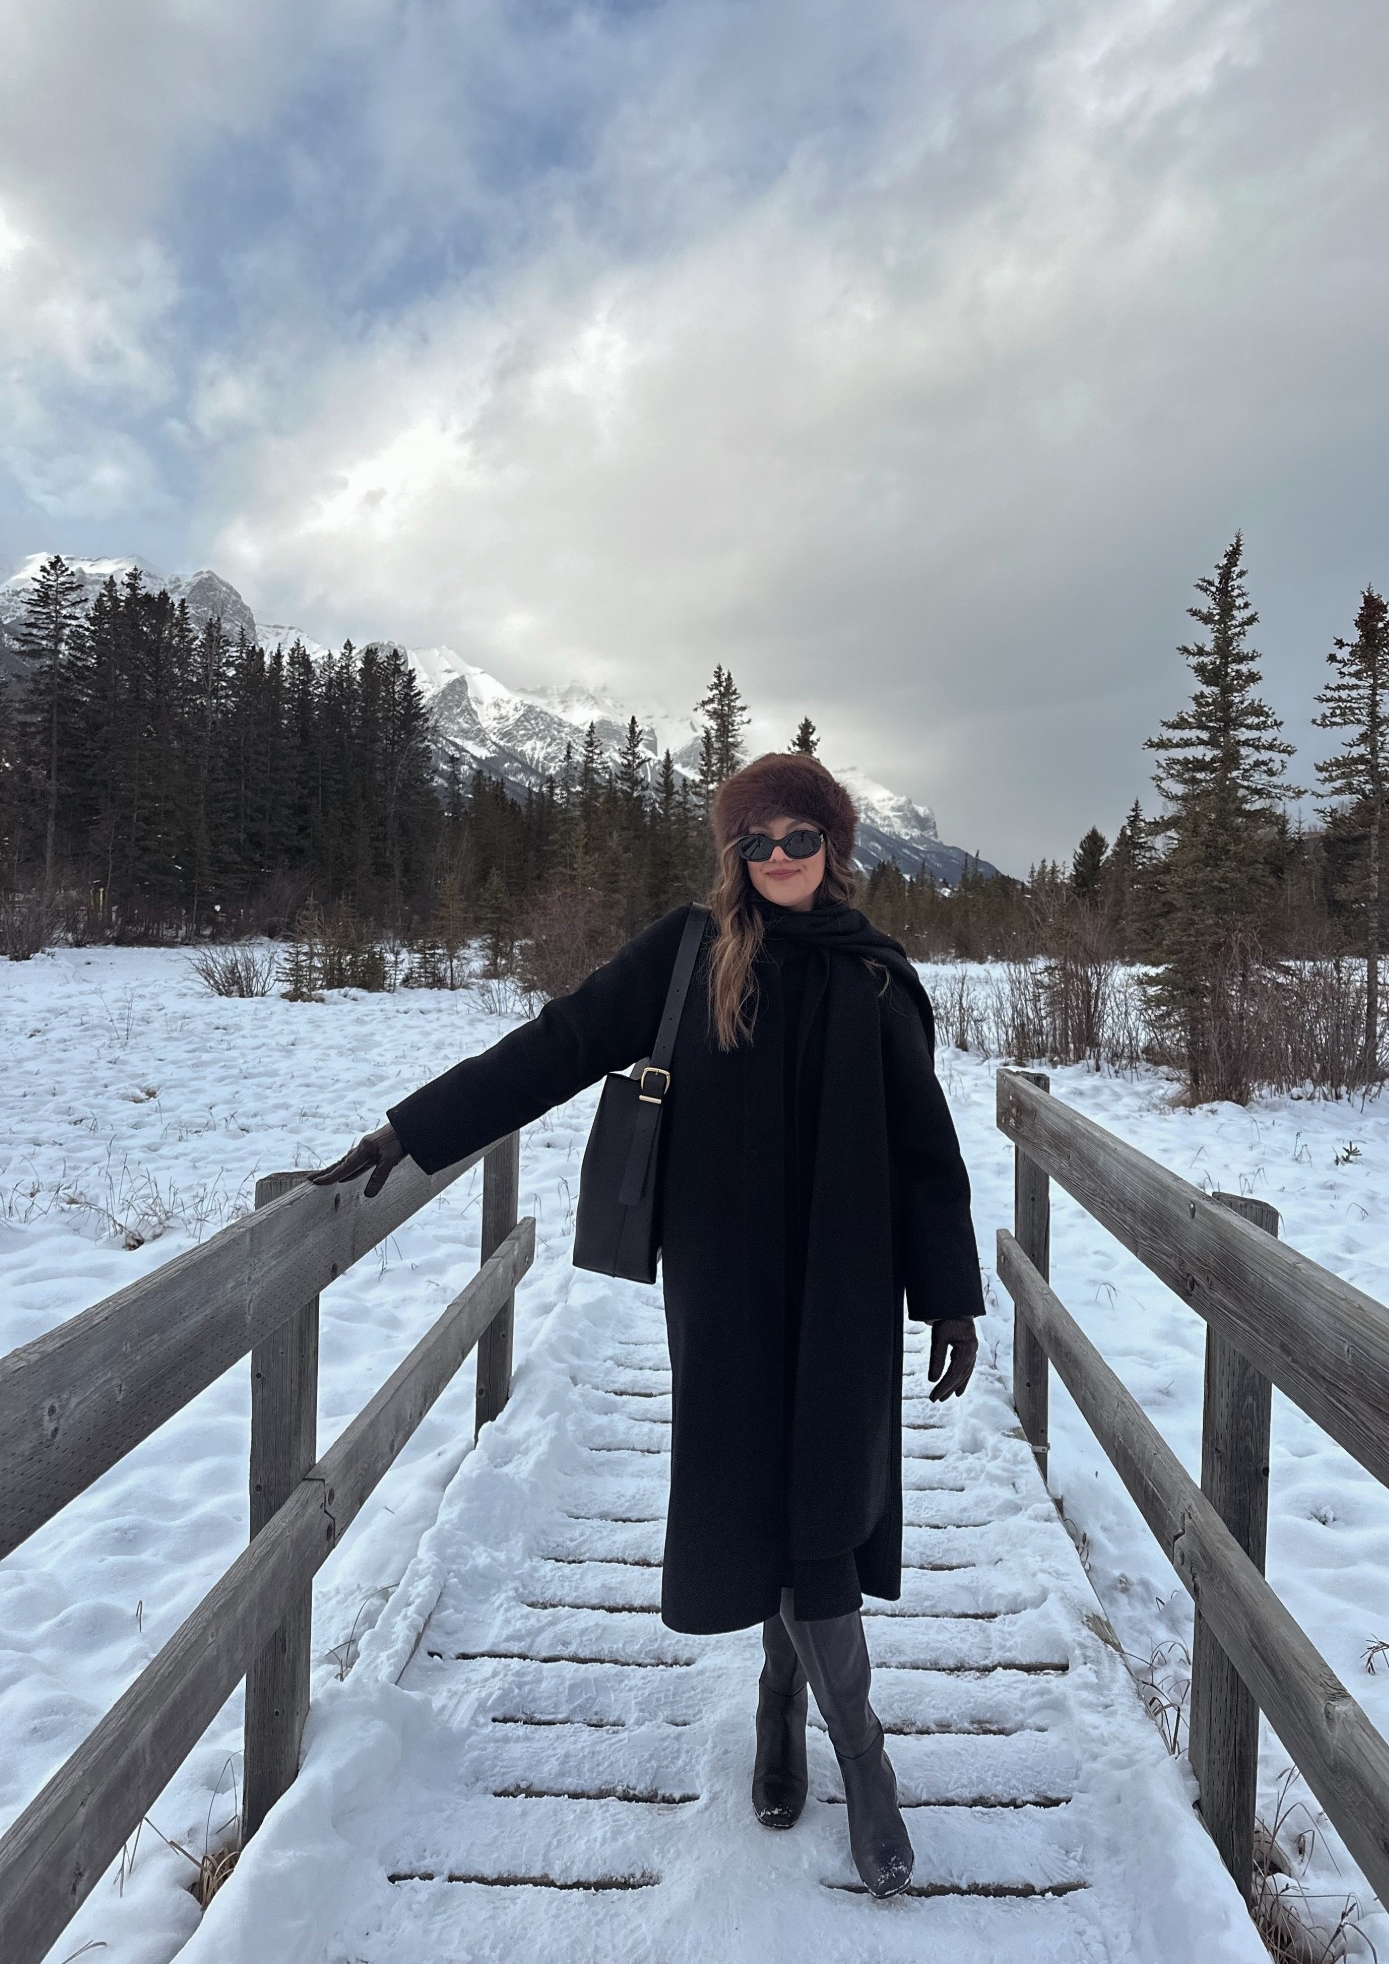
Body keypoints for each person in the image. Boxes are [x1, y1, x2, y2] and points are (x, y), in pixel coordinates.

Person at [314, 752, 984, 1899]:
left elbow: (927, 1150)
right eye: (755, 840)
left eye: (799, 838)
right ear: (732, 853)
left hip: (843, 1288)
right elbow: (559, 1045)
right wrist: (409, 1130)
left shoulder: (877, 978)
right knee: (757, 1496)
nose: (777, 858)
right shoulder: (689, 951)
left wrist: (952, 1292)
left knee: (821, 1502)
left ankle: (856, 1749)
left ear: (837, 849)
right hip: (724, 1287)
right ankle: (783, 1706)